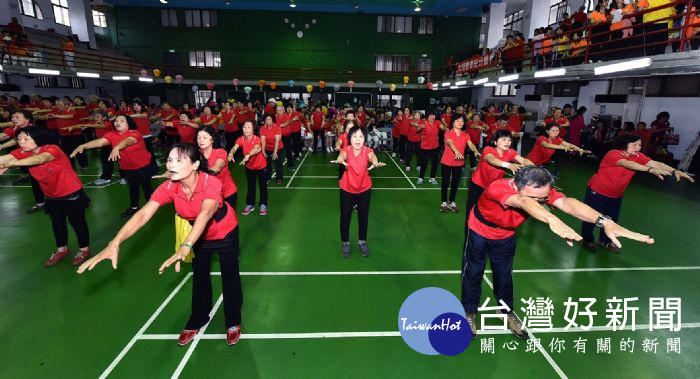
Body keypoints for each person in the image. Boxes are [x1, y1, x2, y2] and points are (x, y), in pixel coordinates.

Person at [78, 144, 244, 347]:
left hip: (224, 232)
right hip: (196, 238)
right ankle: (198, 318)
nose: (171, 164)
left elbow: (205, 213)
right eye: (169, 160)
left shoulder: (211, 183)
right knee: (200, 277)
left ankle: (233, 320)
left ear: (195, 165)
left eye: (179, 160)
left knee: (230, 277)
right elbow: (143, 213)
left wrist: (186, 245)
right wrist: (115, 242)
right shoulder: (170, 187)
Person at [461, 166, 655, 339]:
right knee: (473, 272)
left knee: (504, 275)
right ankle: (469, 312)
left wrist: (604, 221)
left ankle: (506, 312)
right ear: (516, 185)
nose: (542, 200)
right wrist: (551, 219)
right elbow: (523, 202)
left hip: (506, 235)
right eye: (537, 198)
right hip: (480, 230)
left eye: (545, 197)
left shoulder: (541, 192)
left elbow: (568, 203)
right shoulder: (499, 187)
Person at [581, 134, 693, 253]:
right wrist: (648, 169)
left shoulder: (638, 156)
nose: (638, 148)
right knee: (591, 216)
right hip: (598, 191)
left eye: (639, 145)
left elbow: (655, 163)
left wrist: (674, 170)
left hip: (616, 195)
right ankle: (588, 239)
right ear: (625, 145)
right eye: (634, 145)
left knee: (612, 219)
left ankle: (605, 241)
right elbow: (626, 163)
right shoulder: (613, 154)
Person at [0, 127, 91, 266]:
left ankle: (84, 249)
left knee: (77, 223)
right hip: (51, 195)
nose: (21, 142)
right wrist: (8, 161)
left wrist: (13, 164)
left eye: (26, 139)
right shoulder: (23, 152)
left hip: (71, 193)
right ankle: (62, 250)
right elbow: (4, 158)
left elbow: (41, 158)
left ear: (38, 139)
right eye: (19, 139)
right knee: (57, 224)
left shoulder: (52, 149)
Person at [71, 114, 154, 217]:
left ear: (129, 123)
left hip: (143, 166)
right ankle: (134, 208)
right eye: (116, 120)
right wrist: (83, 145)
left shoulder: (135, 133)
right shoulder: (112, 134)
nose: (117, 122)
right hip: (127, 167)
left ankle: (151, 207)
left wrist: (117, 147)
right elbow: (100, 142)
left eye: (121, 121)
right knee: (133, 188)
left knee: (147, 188)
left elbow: (128, 141)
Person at [331, 125, 385, 258]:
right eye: (354, 136)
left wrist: (375, 162)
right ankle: (345, 243)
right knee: (345, 217)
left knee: (363, 217)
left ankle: (362, 241)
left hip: (364, 189)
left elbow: (372, 156)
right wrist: (339, 160)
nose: (357, 139)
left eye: (361, 136)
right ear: (350, 138)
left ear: (365, 139)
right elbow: (342, 155)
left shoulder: (367, 150)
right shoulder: (347, 150)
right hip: (347, 189)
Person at [466, 129, 534, 217]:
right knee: (472, 211)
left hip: (493, 187)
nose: (507, 142)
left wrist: (534, 168)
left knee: (487, 212)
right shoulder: (488, 149)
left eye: (509, 140)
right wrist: (508, 165)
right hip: (477, 185)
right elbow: (491, 160)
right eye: (503, 139)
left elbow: (523, 160)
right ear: (495, 142)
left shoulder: (510, 152)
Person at [0, 110, 46, 213]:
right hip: (24, 155)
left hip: (39, 158)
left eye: (17, 117)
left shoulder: (35, 130)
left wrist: (11, 162)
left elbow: (42, 155)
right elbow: (5, 136)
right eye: (13, 117)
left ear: (27, 119)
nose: (13, 119)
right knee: (35, 181)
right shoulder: (16, 128)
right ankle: (41, 202)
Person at [440, 114, 480, 212]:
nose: (460, 123)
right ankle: (444, 202)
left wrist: (475, 150)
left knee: (455, 183)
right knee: (445, 182)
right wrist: (456, 151)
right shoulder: (448, 133)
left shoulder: (465, 134)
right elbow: (450, 143)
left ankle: (452, 201)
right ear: (453, 122)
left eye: (462, 121)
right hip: (447, 162)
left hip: (459, 163)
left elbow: (470, 144)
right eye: (458, 121)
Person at [228, 121, 267, 216]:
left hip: (261, 166)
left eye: (248, 127)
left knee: (262, 186)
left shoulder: (257, 139)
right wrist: (231, 153)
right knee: (250, 185)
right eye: (244, 127)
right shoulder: (241, 139)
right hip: (250, 166)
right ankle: (250, 204)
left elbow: (257, 148)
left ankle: (263, 204)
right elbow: (235, 147)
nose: (245, 129)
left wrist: (248, 155)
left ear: (253, 130)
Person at [197, 127, 238, 210]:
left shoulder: (220, 152)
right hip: (209, 195)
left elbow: (217, 168)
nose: (201, 140)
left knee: (228, 220)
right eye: (198, 137)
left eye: (204, 137)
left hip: (226, 193)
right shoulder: (196, 154)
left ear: (212, 140)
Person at [416, 111, 445, 185]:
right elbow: (417, 131)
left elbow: (442, 127)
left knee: (435, 163)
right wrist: (419, 127)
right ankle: (421, 178)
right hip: (425, 147)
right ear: (427, 116)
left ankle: (432, 178)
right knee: (424, 164)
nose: (432, 117)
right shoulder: (424, 122)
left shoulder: (437, 122)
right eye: (431, 115)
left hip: (434, 147)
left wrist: (449, 130)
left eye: (433, 115)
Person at [259, 114, 284, 185]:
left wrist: (275, 152)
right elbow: (263, 141)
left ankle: (279, 178)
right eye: (266, 120)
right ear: (265, 121)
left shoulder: (277, 127)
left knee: (278, 163)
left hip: (278, 147)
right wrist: (263, 151)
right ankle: (268, 177)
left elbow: (277, 141)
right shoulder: (262, 128)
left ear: (272, 120)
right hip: (268, 148)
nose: (268, 121)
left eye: (270, 119)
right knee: (267, 164)